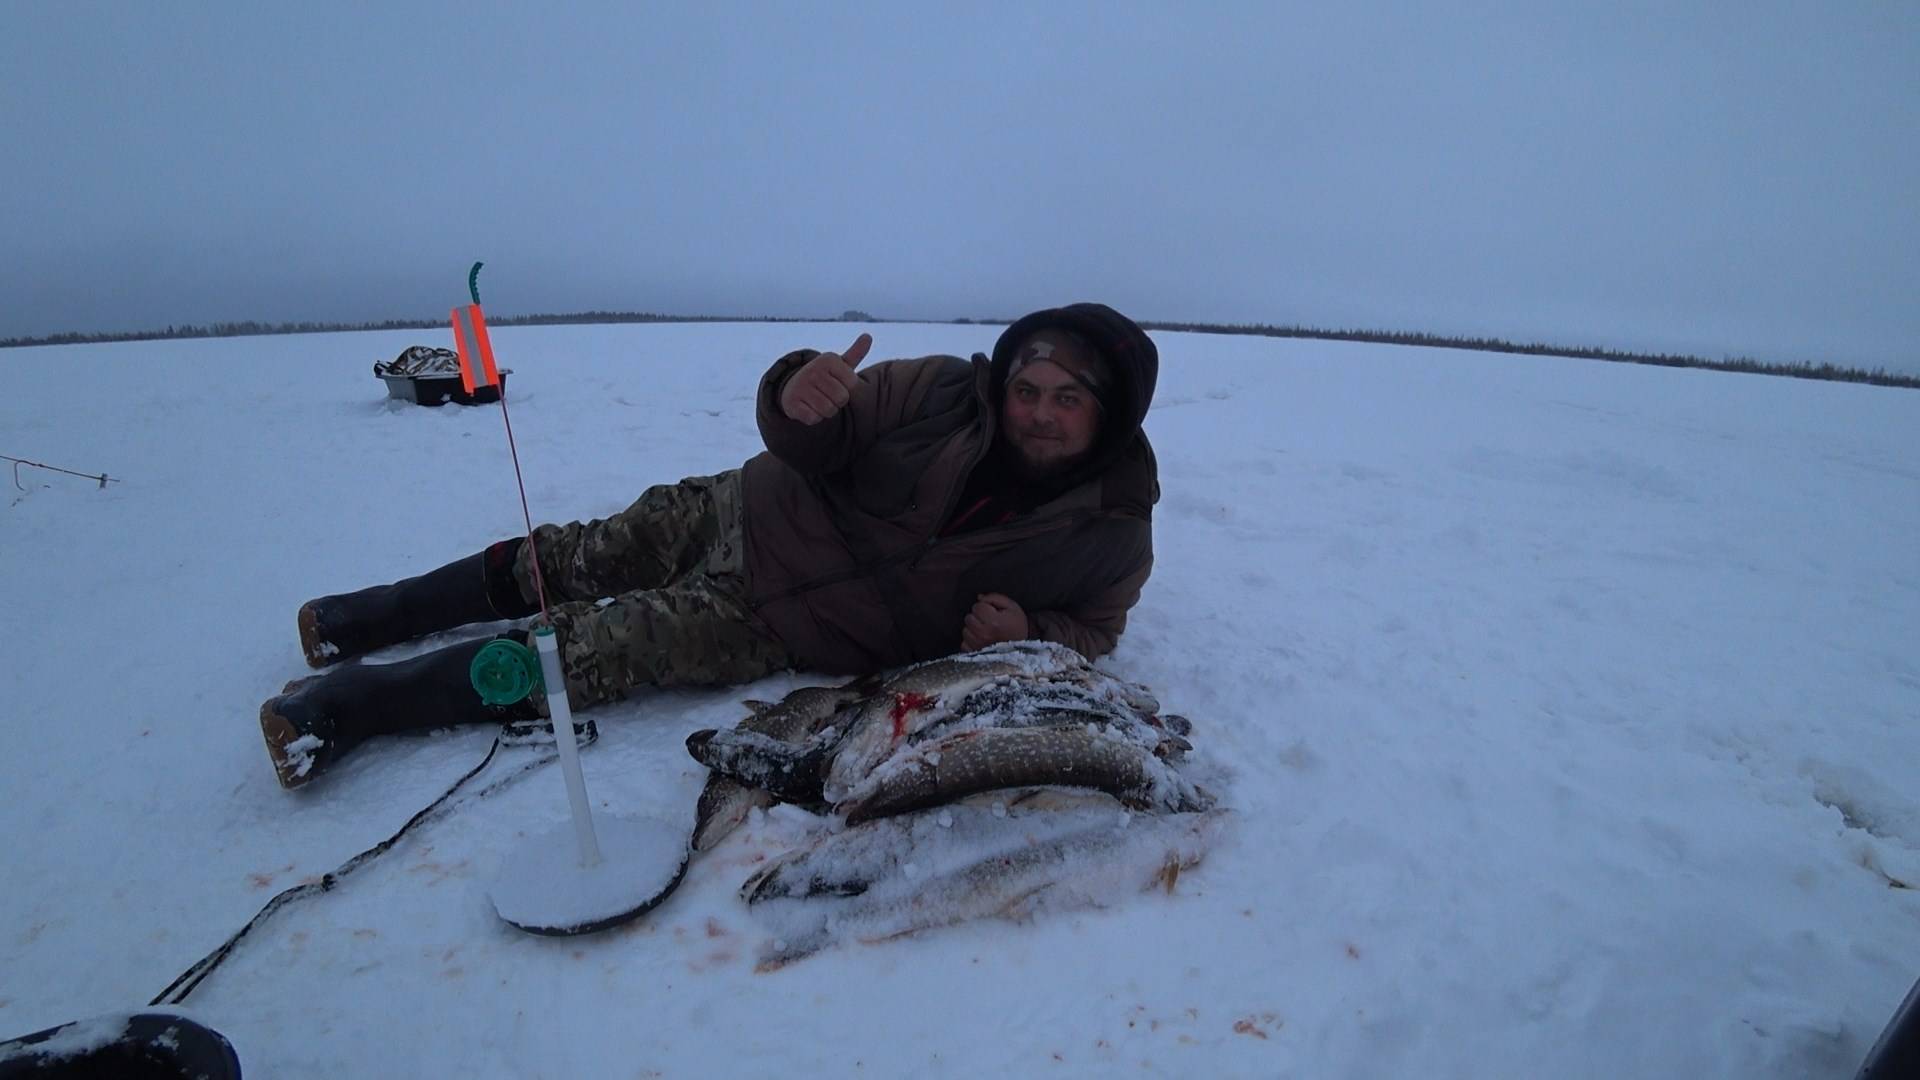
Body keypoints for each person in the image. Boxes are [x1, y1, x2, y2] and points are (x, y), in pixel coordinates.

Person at [260, 303, 1161, 788]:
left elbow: (1095, 630)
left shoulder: (1113, 534)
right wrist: (796, 395)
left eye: (1067, 399)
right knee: (569, 558)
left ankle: (354, 705)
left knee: (592, 649)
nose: (1037, 413)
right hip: (743, 509)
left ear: (1111, 415)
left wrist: (1029, 629)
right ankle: (371, 616)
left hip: (776, 625)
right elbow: (821, 431)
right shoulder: (938, 391)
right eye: (1027, 389)